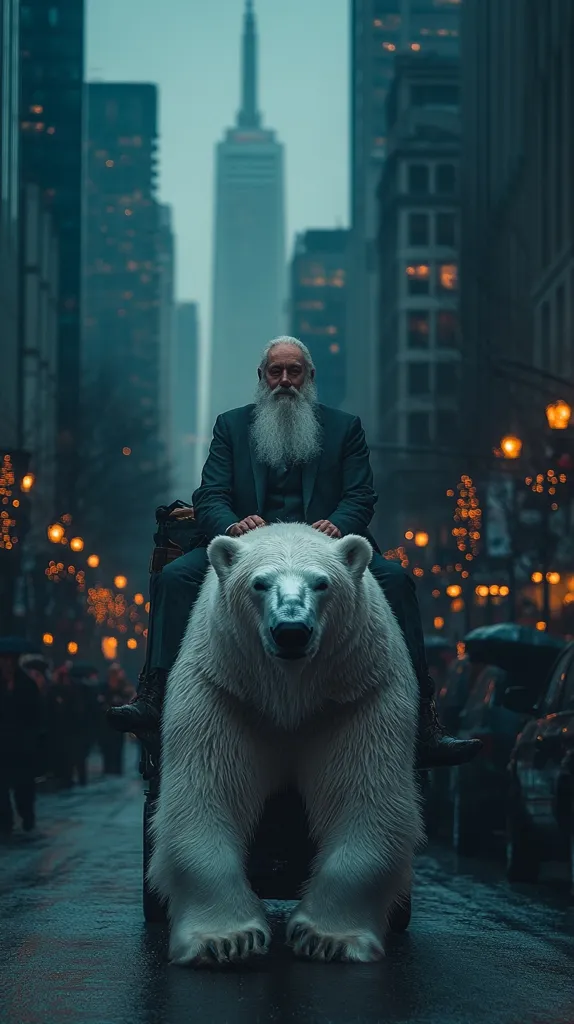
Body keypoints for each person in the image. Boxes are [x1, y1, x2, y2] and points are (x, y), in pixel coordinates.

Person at [108, 336, 482, 769]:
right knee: (175, 578)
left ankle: (423, 723)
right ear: (262, 377)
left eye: (294, 371)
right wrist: (233, 525)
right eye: (276, 371)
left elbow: (361, 495)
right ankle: (154, 695)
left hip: (328, 554)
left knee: (397, 582)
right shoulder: (231, 426)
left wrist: (339, 525)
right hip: (247, 554)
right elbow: (209, 495)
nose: (284, 380)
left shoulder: (345, 428)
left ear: (309, 377)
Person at [0, 638, 45, 836]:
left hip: (22, 745)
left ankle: (27, 817)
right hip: (3, 744)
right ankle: (5, 822)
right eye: (4, 660)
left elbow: (36, 715)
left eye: (11, 660)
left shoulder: (27, 684)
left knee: (24, 787)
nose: (7, 664)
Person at [97, 663, 135, 774]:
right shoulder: (104, 687)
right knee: (107, 748)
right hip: (105, 722)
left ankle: (117, 769)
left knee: (118, 747)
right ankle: (108, 769)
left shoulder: (123, 687)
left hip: (118, 722)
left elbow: (129, 698)